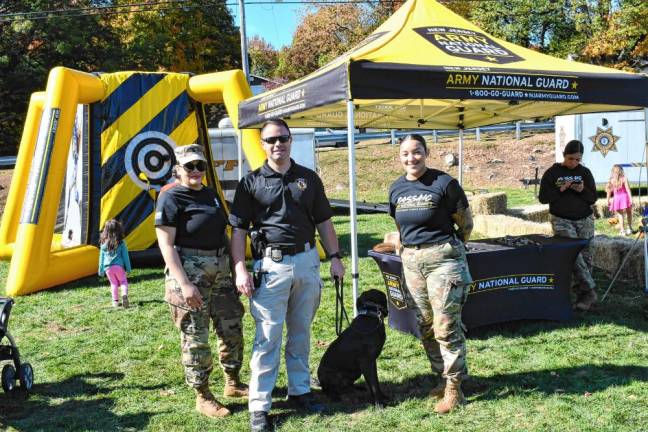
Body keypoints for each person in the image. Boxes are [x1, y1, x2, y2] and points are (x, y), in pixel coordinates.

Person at [229, 119, 345, 432]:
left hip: (308, 261)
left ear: (290, 140)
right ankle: (259, 408)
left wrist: (335, 258)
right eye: (271, 140)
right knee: (268, 338)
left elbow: (324, 222)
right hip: (272, 266)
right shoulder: (251, 183)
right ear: (262, 145)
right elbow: (238, 230)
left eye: (282, 138)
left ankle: (300, 392)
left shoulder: (308, 178)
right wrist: (239, 267)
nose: (277, 144)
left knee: (301, 332)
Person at [155, 144, 247, 419]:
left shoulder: (210, 194)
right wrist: (184, 284)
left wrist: (234, 270)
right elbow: (166, 245)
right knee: (196, 337)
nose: (195, 171)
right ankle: (203, 395)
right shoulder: (170, 197)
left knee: (232, 327)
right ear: (178, 169)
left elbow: (224, 234)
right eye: (189, 166)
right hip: (190, 274)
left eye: (200, 166)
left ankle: (233, 382)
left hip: (220, 271)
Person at [388, 134, 474, 414]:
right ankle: (440, 376)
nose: (411, 158)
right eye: (405, 153)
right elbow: (401, 225)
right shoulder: (396, 189)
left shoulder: (444, 183)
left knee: (446, 325)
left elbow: (465, 222)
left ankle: (454, 387)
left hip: (443, 259)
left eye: (416, 152)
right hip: (412, 261)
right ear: (399, 156)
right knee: (424, 324)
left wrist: (454, 246)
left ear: (427, 152)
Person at [539, 139, 598, 311]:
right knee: (573, 255)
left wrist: (582, 191)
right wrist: (560, 190)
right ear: (564, 155)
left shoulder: (585, 172)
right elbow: (543, 198)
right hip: (562, 219)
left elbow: (593, 197)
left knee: (586, 258)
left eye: (578, 160)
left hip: (584, 219)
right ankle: (591, 290)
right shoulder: (552, 172)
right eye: (571, 159)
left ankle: (584, 297)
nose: (574, 163)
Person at [98, 219, 131, 308]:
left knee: (113, 283)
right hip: (119, 266)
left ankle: (115, 302)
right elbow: (125, 256)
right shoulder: (121, 242)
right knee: (123, 281)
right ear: (118, 229)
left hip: (108, 268)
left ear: (105, 231)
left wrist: (100, 270)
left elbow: (101, 258)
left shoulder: (103, 243)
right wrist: (128, 268)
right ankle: (124, 295)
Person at [606, 164, 633, 235]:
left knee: (620, 215)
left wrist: (608, 200)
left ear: (613, 171)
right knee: (629, 213)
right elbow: (628, 189)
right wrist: (631, 199)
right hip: (625, 197)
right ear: (621, 171)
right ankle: (629, 228)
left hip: (617, 198)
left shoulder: (611, 180)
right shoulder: (624, 179)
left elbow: (609, 191)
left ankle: (622, 230)